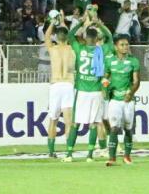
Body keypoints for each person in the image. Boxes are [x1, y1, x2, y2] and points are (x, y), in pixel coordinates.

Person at [62, 15, 114, 162]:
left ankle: (69, 155)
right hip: (96, 91)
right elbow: (110, 38)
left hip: (81, 91)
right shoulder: (101, 50)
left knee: (75, 123)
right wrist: (99, 24)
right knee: (94, 123)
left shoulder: (79, 49)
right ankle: (89, 156)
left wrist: (80, 22)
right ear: (97, 38)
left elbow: (70, 35)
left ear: (85, 37)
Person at [103, 34, 141, 166]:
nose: (125, 47)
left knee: (128, 129)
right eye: (122, 45)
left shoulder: (133, 61)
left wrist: (131, 93)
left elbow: (136, 81)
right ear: (116, 47)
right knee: (114, 128)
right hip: (115, 100)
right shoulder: (109, 61)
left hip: (128, 100)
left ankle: (127, 156)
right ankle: (112, 157)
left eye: (126, 44)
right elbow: (105, 77)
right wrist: (105, 86)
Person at [44, 20, 76, 158]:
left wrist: (52, 22)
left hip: (55, 85)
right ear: (67, 37)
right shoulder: (72, 49)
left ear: (56, 37)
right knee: (69, 121)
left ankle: (51, 152)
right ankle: (69, 152)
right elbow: (72, 35)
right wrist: (63, 22)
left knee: (53, 120)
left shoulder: (53, 49)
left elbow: (46, 36)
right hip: (68, 84)